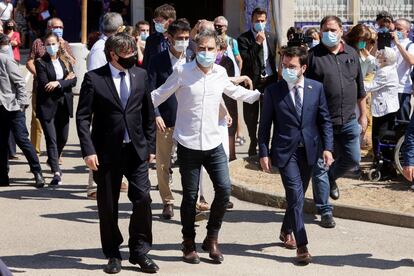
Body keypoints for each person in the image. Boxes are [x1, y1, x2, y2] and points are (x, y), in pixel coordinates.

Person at [151, 29, 261, 264]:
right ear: (194, 49)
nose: (206, 53)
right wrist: (138, 105)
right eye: (201, 49)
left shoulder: (220, 73)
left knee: (224, 190)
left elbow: (236, 92)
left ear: (218, 50)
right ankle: (188, 242)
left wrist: (262, 95)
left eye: (211, 49)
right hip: (188, 143)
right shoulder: (182, 72)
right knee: (190, 197)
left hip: (213, 143)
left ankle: (212, 237)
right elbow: (158, 95)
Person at [76, 33, 158, 274]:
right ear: (113, 54)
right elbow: (82, 118)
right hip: (106, 153)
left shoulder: (140, 76)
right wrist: (88, 150)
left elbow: (148, 115)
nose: (133, 57)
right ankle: (113, 253)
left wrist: (151, 147)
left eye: (134, 53)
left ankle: (140, 251)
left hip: (136, 149)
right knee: (108, 205)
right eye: (128, 54)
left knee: (143, 199)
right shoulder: (94, 79)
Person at [259, 46, 333, 264]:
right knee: (295, 195)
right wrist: (263, 152)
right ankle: (302, 245)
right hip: (284, 152)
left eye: (292, 66)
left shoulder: (316, 88)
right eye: (284, 66)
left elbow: (324, 120)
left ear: (303, 67)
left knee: (296, 197)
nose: (287, 70)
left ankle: (285, 230)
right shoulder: (273, 91)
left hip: (309, 151)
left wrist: (328, 148)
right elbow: (264, 126)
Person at [306, 15, 367, 228]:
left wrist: (364, 114)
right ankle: (324, 210)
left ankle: (332, 178)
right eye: (325, 30)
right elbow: (307, 92)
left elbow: (360, 88)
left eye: (333, 29)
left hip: (349, 119)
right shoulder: (313, 56)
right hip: (322, 123)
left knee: (353, 159)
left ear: (341, 31)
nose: (328, 33)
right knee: (320, 166)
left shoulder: (351, 53)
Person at [147, 18, 191, 220]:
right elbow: (150, 90)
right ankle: (168, 201)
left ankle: (190, 200)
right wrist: (155, 114)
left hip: (189, 120)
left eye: (186, 38)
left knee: (190, 163)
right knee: (163, 163)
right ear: (169, 39)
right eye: (179, 38)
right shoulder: (158, 61)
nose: (183, 41)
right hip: (165, 119)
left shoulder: (193, 58)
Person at [86, 12, 124, 199]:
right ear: (118, 29)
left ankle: (114, 177)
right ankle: (94, 184)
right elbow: (94, 78)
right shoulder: (99, 49)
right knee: (100, 144)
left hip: (115, 102)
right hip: (102, 104)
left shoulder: (110, 46)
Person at [0, 33, 45, 188]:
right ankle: (3, 175)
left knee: (22, 140)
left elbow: (20, 82)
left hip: (13, 107)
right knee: (1, 143)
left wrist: (21, 104)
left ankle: (37, 172)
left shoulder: (5, 60)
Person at [26, 17, 75, 156]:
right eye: (56, 27)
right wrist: (42, 78)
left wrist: (63, 48)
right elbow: (29, 62)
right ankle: (34, 152)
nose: (59, 30)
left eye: (61, 27)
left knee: (59, 124)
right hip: (42, 88)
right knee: (37, 120)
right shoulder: (38, 43)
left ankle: (55, 154)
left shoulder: (65, 44)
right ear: (49, 28)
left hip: (60, 91)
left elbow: (73, 63)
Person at [35, 31, 76, 186]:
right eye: (48, 44)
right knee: (51, 139)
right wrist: (64, 81)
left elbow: (74, 80)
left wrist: (58, 83)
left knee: (63, 138)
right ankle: (56, 172)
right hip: (47, 106)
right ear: (44, 46)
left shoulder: (65, 60)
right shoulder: (41, 62)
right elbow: (45, 84)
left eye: (54, 43)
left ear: (59, 44)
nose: (51, 47)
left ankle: (53, 159)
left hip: (63, 104)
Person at [238, 7, 277, 156]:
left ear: (266, 21)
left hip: (269, 80)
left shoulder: (272, 37)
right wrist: (257, 44)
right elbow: (247, 60)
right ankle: (252, 140)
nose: (260, 23)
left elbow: (273, 59)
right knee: (251, 115)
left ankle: (264, 144)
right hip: (252, 81)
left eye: (262, 21)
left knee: (268, 114)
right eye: (257, 21)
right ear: (252, 21)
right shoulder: (243, 39)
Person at [364, 47, 399, 177]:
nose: (378, 54)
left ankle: (384, 168)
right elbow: (375, 62)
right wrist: (366, 54)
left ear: (385, 59)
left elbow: (371, 86)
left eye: (381, 54)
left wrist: (354, 83)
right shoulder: (390, 66)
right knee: (383, 137)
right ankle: (382, 164)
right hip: (388, 107)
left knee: (380, 137)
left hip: (383, 110)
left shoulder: (385, 72)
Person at [391, 18, 414, 122]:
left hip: (402, 89)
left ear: (407, 31)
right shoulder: (391, 44)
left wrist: (398, 44)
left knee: (402, 122)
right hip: (389, 88)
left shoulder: (410, 45)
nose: (396, 32)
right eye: (395, 29)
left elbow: (411, 61)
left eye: (399, 29)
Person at [142, 4, 176, 69]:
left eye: (159, 21)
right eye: (155, 21)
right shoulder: (151, 39)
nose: (156, 24)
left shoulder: (178, 38)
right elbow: (146, 62)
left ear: (170, 22)